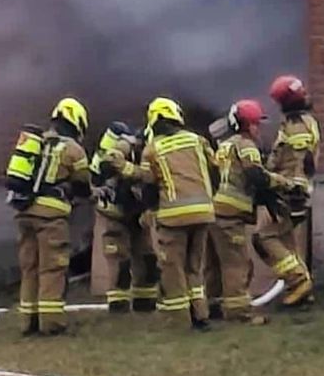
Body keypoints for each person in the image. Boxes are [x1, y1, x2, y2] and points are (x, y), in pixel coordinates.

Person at [107, 97, 214, 332]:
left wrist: (122, 167)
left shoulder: (153, 149)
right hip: (204, 213)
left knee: (173, 268)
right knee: (194, 267)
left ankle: (179, 321)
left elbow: (147, 181)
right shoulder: (198, 141)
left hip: (173, 217)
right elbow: (214, 169)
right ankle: (201, 316)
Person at [13, 97, 92, 337]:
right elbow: (83, 185)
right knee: (52, 268)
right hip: (50, 218)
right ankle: (52, 324)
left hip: (25, 213)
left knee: (30, 268)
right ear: (76, 122)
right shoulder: (73, 150)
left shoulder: (36, 143)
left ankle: (28, 322)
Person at [211, 99, 290, 323]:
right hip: (230, 213)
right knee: (238, 263)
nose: (259, 129)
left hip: (214, 212)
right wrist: (283, 182)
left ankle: (213, 307)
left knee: (216, 263)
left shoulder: (225, 145)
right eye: (256, 124)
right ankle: (239, 313)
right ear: (246, 125)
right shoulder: (246, 146)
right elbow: (256, 175)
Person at [252, 75, 320, 309]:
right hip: (291, 189)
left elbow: (299, 160)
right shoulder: (302, 121)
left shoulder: (297, 125)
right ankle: (301, 291)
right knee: (288, 244)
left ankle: (298, 279)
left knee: (264, 236)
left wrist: (291, 190)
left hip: (290, 191)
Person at [90, 122, 159, 315]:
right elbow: (107, 166)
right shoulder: (122, 148)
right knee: (120, 260)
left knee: (147, 259)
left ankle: (145, 303)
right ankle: (118, 307)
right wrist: (124, 165)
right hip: (116, 213)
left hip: (137, 213)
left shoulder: (148, 154)